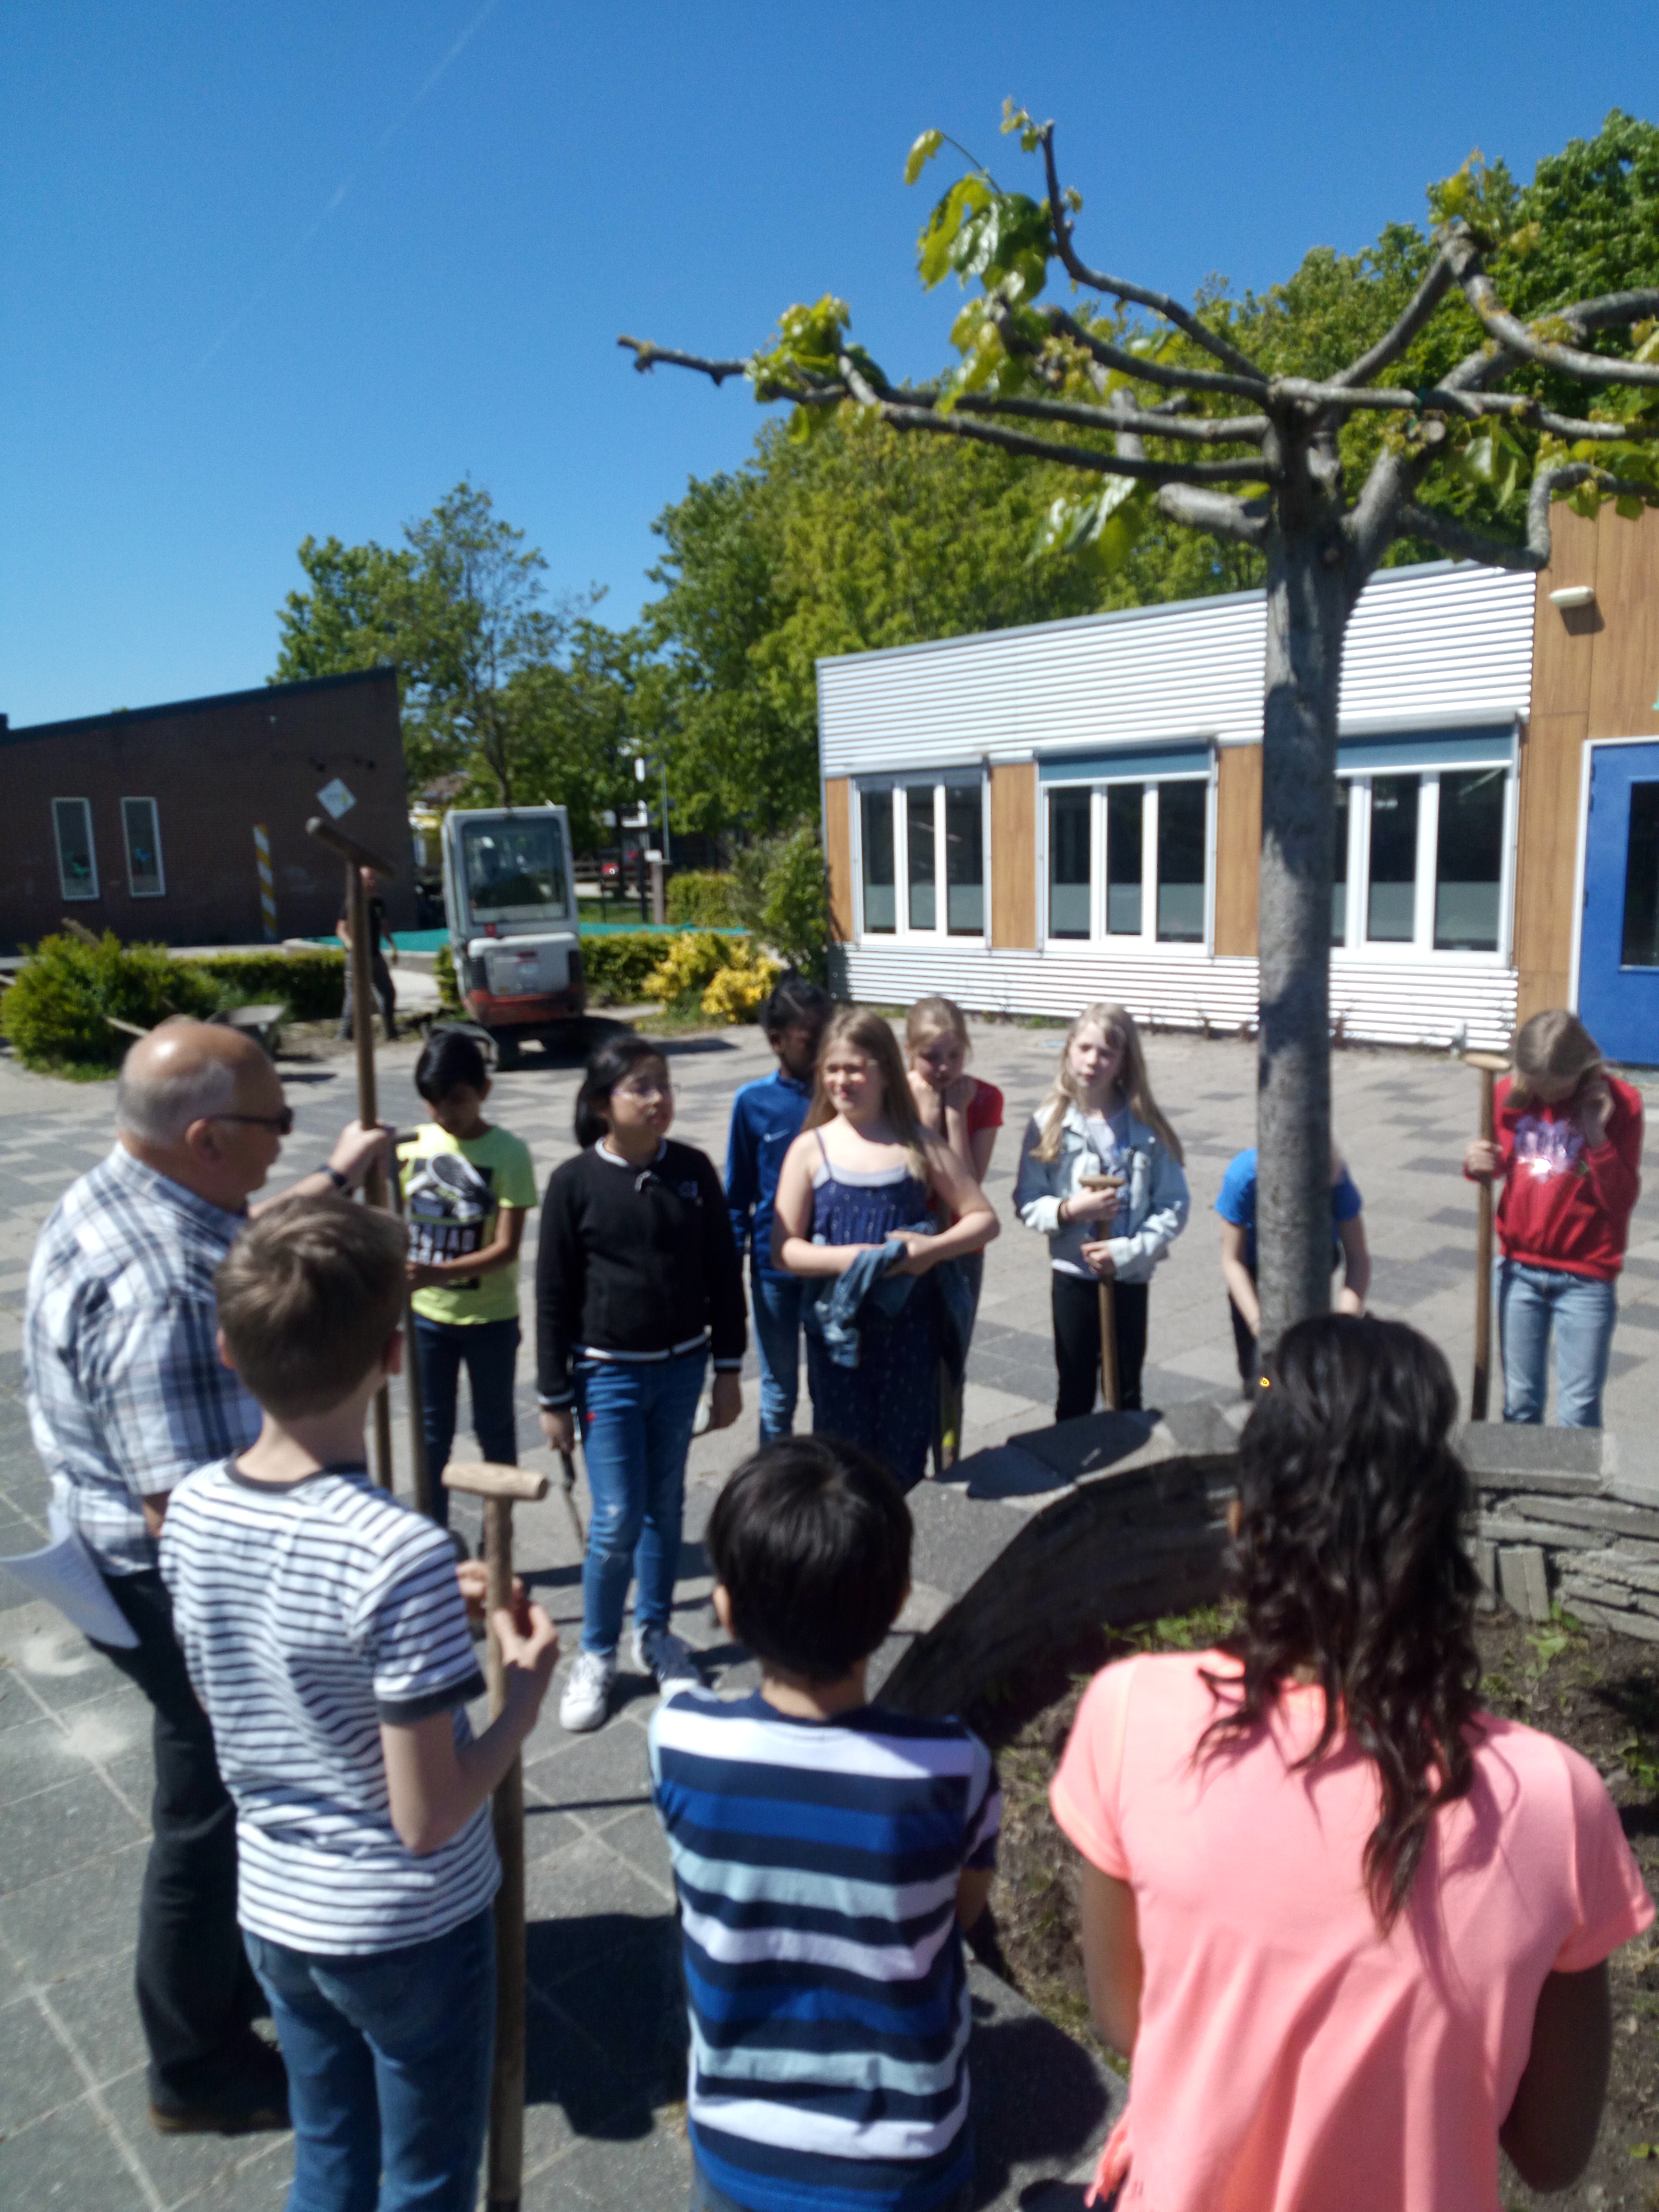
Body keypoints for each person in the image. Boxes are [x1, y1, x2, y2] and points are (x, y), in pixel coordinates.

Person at [1051, 1314, 1654, 2212]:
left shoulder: (1130, 1712)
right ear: (1442, 1550)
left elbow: (1127, 2018)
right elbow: (1554, 2152)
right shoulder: (1558, 1801)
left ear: (1243, 1527)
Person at [160, 1198, 559, 2212]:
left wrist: (420, 1634)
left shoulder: (192, 1507)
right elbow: (426, 1820)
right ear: (393, 1353)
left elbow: (237, 1701)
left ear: (226, 1348)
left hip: (276, 1909)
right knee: (425, 2180)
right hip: (405, 1924)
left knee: (330, 2155)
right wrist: (523, 1699)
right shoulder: (399, 1552)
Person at [23, 1020, 385, 2133]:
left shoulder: (131, 1191)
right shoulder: (161, 1290)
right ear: (204, 1134)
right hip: (165, 1587)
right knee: (212, 1806)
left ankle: (231, 1994)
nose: (287, 1138)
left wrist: (327, 1181)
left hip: (110, 1547)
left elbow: (229, 1230)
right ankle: (197, 2063)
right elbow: (191, 1523)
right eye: (274, 1124)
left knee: (212, 1798)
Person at [650, 1435, 1000, 2212]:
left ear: (726, 1609)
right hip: (909, 2166)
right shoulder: (953, 1768)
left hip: (741, 2155)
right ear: (899, 1599)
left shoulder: (680, 1741)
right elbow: (958, 1915)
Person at [537, 1033, 745, 1733]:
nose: (659, 1099)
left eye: (664, 1083)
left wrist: (728, 1369)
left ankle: (654, 1635)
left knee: (664, 1505)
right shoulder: (573, 1183)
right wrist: (553, 1395)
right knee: (617, 1515)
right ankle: (595, 1651)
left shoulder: (692, 1171)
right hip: (608, 1377)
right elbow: (553, 1295)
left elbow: (724, 1271)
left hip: (684, 1369)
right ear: (603, 1106)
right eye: (640, 1088)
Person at [772, 1007, 998, 1490]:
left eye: (855, 1068)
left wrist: (931, 1250)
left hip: (908, 1334)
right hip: (838, 1338)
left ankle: (900, 1559)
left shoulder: (917, 1143)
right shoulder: (811, 1149)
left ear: (885, 1071)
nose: (842, 1080)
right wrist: (852, 1260)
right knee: (841, 1466)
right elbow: (783, 1250)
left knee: (902, 1462)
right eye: (832, 1069)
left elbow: (983, 1220)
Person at [1464, 1008, 1644, 1427]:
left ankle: (1572, 1494)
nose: (1546, 1098)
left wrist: (1597, 1135)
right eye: (1536, 1086)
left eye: (1556, 1088)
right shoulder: (1509, 1093)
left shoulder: (1621, 1105)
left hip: (1586, 1277)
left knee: (1578, 1412)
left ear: (1581, 1068)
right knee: (1520, 1404)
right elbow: (1502, 1166)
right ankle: (1516, 1487)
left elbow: (1620, 1201)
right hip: (1518, 1270)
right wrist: (1479, 1163)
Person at [1012, 1002, 1188, 1419]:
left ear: (1125, 1060)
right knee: (1073, 1388)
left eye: (1107, 1052)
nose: (1093, 1060)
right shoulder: (1048, 1124)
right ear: (1069, 1049)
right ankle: (1074, 1470)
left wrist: (1127, 1251)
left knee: (1125, 1390)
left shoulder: (1147, 1128)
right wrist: (1071, 1209)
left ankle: (1126, 1470)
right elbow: (1027, 1199)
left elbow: (1173, 1205)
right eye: (1085, 1047)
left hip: (1127, 1275)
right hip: (1073, 1275)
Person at [398, 1027, 538, 1528]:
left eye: (456, 1099)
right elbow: (391, 1221)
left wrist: (434, 1271)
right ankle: (433, 1534)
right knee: (431, 1433)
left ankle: (497, 1539)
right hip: (427, 1320)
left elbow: (505, 1249)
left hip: (490, 1320)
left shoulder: (508, 1153)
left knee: (494, 1429)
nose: (444, 1112)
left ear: (484, 1091)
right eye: (433, 1100)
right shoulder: (411, 1147)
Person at [725, 971, 831, 1444]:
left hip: (832, 1265)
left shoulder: (840, 1095)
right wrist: (728, 1265)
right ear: (777, 1041)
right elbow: (739, 1193)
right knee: (780, 1390)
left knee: (832, 1386)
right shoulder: (754, 1102)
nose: (824, 1051)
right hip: (773, 1271)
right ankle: (774, 1485)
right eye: (811, 1041)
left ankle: (834, 1480)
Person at [1216, 1143, 1370, 1393]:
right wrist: (1258, 1325)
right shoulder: (1243, 1177)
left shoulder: (1336, 1178)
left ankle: (1309, 1396)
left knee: (1312, 1359)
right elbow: (1232, 1261)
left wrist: (1343, 1323)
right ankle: (1260, 1390)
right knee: (1260, 1371)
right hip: (1254, 1266)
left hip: (1317, 1260)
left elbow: (1358, 1259)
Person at [338, 864, 400, 1043]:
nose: (373, 883)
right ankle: (345, 1034)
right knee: (356, 996)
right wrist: (351, 945)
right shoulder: (353, 902)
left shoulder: (378, 903)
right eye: (369, 879)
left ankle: (390, 1031)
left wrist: (393, 946)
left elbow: (384, 926)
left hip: (375, 955)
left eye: (374, 879)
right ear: (361, 882)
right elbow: (341, 929)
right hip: (357, 958)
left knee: (388, 992)